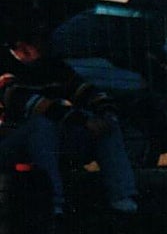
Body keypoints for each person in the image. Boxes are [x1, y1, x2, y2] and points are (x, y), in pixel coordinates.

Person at [0, 19, 138, 216]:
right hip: (12, 143)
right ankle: (54, 204)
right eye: (41, 40)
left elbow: (85, 91)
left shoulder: (53, 66)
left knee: (107, 124)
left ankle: (123, 199)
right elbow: (29, 103)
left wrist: (105, 112)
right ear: (24, 46)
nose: (47, 45)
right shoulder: (5, 67)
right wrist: (82, 120)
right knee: (42, 126)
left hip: (51, 142)